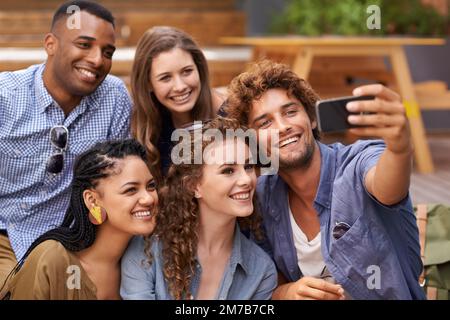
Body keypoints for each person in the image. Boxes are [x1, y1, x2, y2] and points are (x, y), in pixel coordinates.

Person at [225, 60, 425, 300]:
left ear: (311, 119)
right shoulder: (262, 196)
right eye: (265, 123)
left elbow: (388, 186)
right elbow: (266, 275)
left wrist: (400, 147)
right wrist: (285, 293)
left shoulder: (355, 164)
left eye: (290, 112)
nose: (283, 127)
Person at [0, 0, 132, 284]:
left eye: (107, 52)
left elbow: (117, 182)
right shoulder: (6, 98)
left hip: (76, 238)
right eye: (85, 45)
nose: (98, 60)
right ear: (51, 44)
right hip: (7, 234)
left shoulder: (115, 98)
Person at [120, 117, 277, 300]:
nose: (246, 180)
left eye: (248, 166)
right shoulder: (146, 251)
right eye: (228, 170)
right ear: (194, 186)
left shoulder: (261, 271)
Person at [1, 139, 158, 300]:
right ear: (92, 200)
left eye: (151, 186)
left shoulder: (152, 258)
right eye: (130, 190)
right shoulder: (52, 259)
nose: (148, 199)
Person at [130, 26, 226, 178]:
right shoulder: (147, 128)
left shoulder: (229, 114)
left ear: (199, 69)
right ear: (148, 84)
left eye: (187, 71)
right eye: (165, 78)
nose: (180, 86)